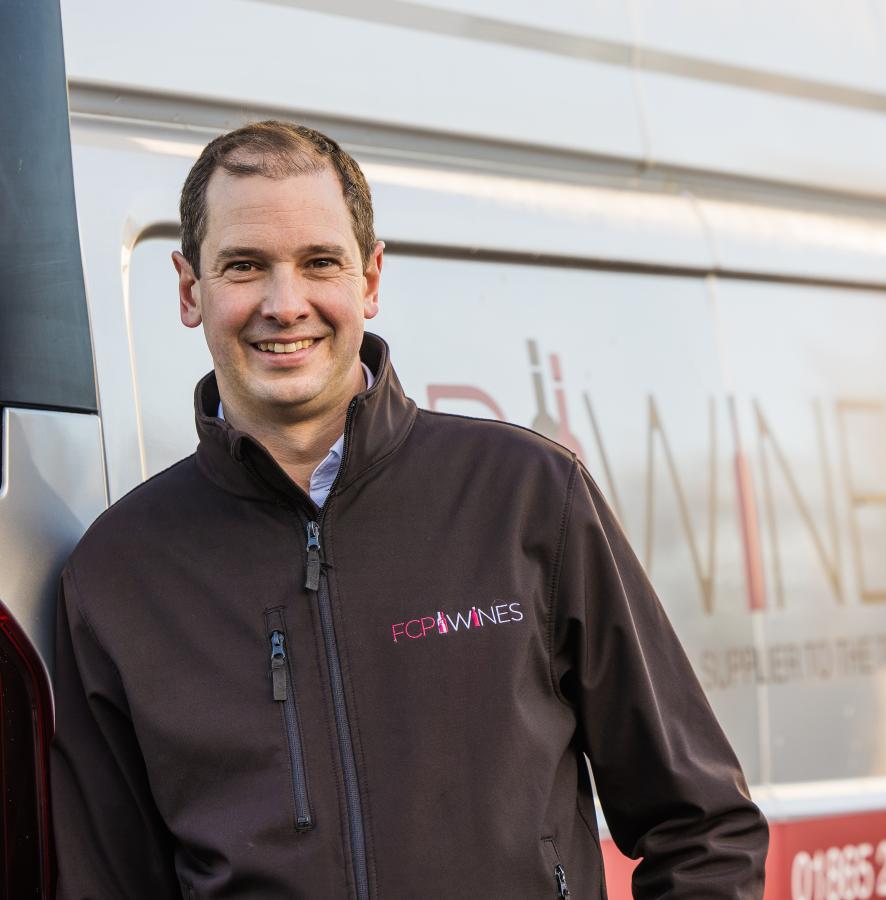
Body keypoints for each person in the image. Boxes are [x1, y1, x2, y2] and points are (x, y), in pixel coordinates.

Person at [51, 120, 768, 899]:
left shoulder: (526, 497)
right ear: (192, 291)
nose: (284, 304)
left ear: (370, 279)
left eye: (319, 262)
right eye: (245, 266)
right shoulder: (120, 573)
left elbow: (704, 828)